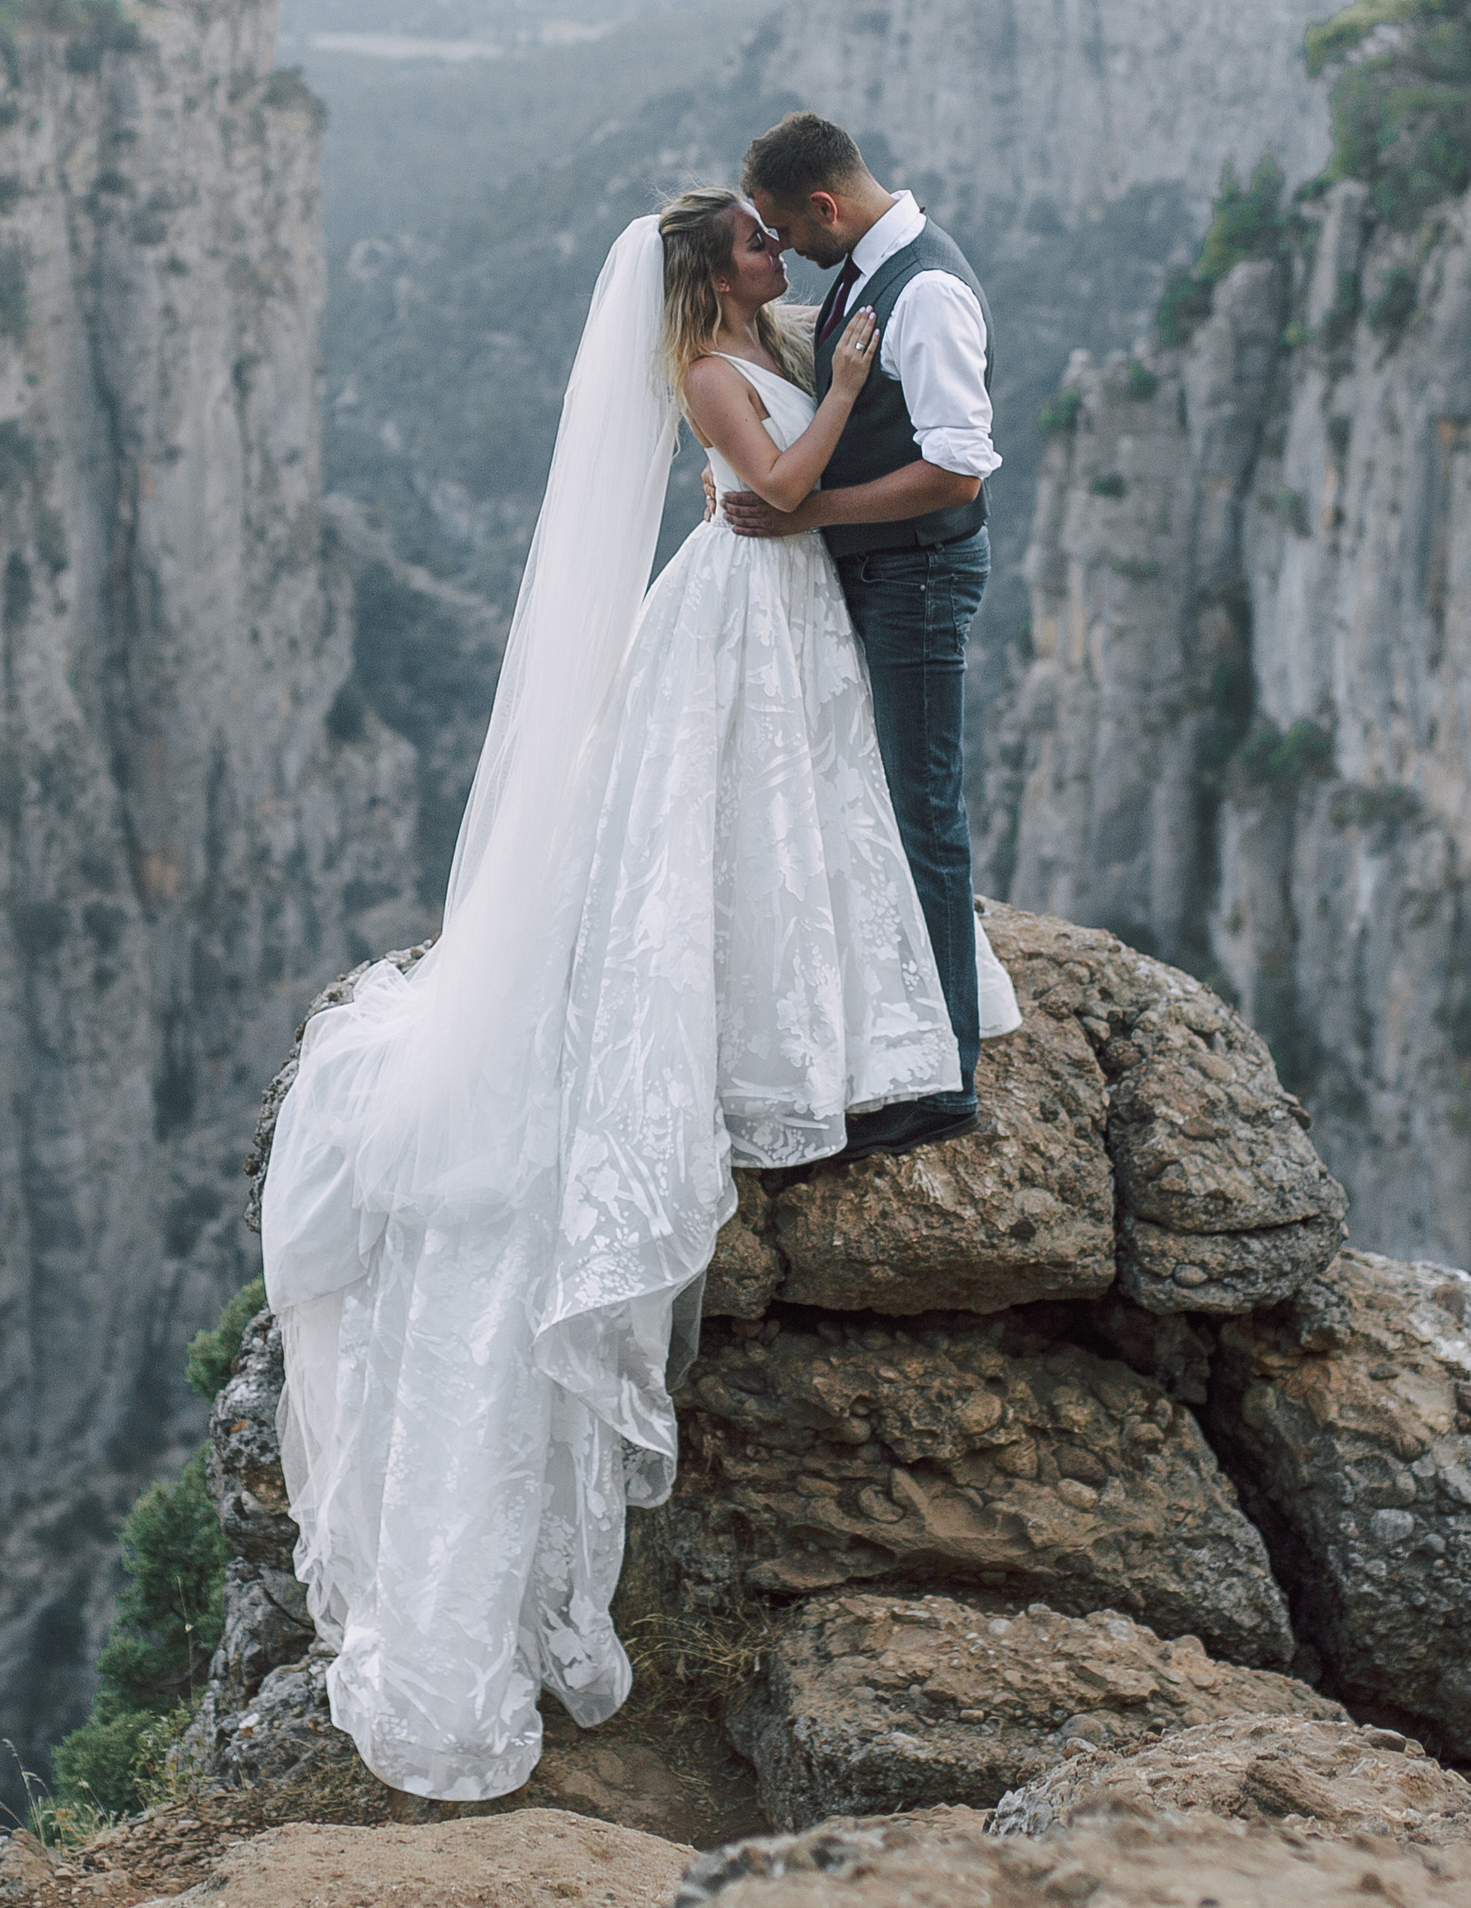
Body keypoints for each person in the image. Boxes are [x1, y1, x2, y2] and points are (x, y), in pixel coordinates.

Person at [260, 191, 1017, 1802]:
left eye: (775, 237)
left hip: (783, 613)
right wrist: (847, 390)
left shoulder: (771, 335)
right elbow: (781, 490)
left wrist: (863, 336)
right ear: (708, 278)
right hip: (748, 596)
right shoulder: (715, 374)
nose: (777, 260)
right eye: (755, 247)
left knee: (798, 810)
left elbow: (843, 386)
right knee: (707, 833)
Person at [726, 113, 998, 1160]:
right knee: (879, 798)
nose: (784, 247)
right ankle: (902, 1037)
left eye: (789, 230)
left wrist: (808, 515)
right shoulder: (867, 270)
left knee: (920, 807)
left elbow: (958, 466)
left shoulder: (921, 290)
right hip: (882, 573)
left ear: (826, 207)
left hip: (916, 575)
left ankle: (944, 1080)